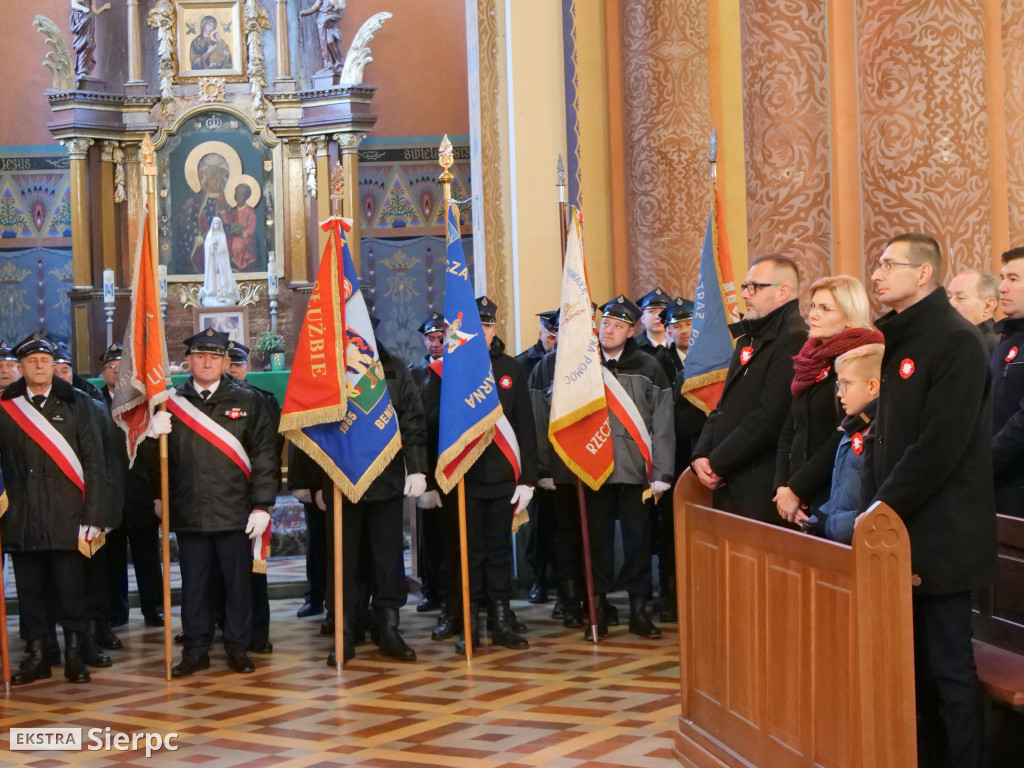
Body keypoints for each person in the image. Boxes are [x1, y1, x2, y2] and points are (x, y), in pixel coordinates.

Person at [870, 233, 996, 768]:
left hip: (941, 534)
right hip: (901, 531)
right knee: (913, 671)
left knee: (948, 670)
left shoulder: (954, 340)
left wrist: (882, 507)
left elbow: (938, 446)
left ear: (923, 274)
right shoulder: (902, 337)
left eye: (888, 264)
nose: (877, 274)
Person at [155, 329, 278, 677]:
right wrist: (149, 436)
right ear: (188, 361)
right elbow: (155, 464)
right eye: (200, 356)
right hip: (189, 509)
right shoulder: (169, 401)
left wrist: (262, 505)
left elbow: (265, 456)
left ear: (226, 362)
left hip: (235, 511)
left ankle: (237, 648)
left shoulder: (248, 400)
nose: (207, 362)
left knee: (238, 586)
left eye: (214, 357)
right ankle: (195, 650)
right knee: (194, 587)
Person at [423, 296, 538, 654]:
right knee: (467, 553)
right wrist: (431, 480)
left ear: (494, 329)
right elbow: (432, 428)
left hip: (503, 476)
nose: (484, 331)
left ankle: (501, 620)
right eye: (478, 325)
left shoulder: (510, 368)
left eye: (489, 325)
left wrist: (528, 478)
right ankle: (468, 622)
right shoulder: (446, 372)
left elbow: (524, 425)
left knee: (499, 551)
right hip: (464, 478)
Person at [0, 333, 105, 685]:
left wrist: (93, 516)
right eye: (31, 362)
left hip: (68, 517)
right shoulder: (5, 406)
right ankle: (38, 656)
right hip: (22, 517)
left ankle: (75, 655)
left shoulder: (78, 403)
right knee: (30, 594)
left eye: (45, 360)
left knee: (70, 591)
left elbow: (94, 464)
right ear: (21, 367)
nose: (40, 366)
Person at [321, 332, 428, 665]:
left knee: (387, 559)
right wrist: (310, 482)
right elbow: (310, 428)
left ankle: (388, 629)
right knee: (343, 560)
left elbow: (412, 419)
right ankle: (345, 631)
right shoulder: (326, 371)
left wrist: (417, 469)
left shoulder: (394, 369)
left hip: (386, 480)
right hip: (342, 481)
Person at [584, 295, 674, 641]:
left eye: (617, 326)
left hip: (637, 473)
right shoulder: (584, 365)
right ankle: (599, 609)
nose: (608, 330)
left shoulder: (649, 366)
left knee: (638, 542)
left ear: (631, 330)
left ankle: (638, 610)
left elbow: (662, 423)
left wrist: (662, 473)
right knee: (597, 543)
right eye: (605, 323)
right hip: (595, 470)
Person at [691, 255, 807, 521]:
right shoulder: (749, 337)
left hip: (758, 484)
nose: (745, 294)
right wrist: (700, 455)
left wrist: (717, 463)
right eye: (745, 286)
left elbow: (769, 418)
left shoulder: (793, 337)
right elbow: (723, 406)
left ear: (783, 291)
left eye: (754, 286)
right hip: (729, 477)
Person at [774, 276, 882, 525]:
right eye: (812, 307)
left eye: (825, 308)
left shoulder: (862, 359)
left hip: (833, 497)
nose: (813, 315)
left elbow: (842, 434)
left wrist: (797, 489)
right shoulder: (809, 358)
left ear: (849, 316)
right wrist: (781, 487)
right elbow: (790, 429)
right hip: (795, 494)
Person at [52, 344, 124, 667]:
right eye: (53, 370)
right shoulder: (29, 408)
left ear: (73, 372)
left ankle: (97, 632)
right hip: (52, 512)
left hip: (90, 509)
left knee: (95, 577)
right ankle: (60, 641)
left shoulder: (92, 405)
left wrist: (105, 511)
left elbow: (109, 463)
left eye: (64, 369)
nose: (59, 375)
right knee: (61, 582)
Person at [225, 341, 280, 655]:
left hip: (251, 494)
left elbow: (272, 448)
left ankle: (258, 633)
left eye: (238, 364)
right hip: (219, 496)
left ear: (247, 368)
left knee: (255, 569)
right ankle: (222, 627)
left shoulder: (265, 401)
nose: (233, 369)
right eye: (229, 363)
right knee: (219, 569)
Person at [799, 344, 883, 544]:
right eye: (838, 384)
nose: (839, 393)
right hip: (840, 541)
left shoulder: (881, 433)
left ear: (872, 386)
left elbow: (872, 509)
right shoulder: (851, 430)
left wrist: (829, 525)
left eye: (846, 383)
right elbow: (841, 496)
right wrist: (817, 519)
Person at [517, 309, 558, 604]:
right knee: (538, 526)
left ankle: (567, 585)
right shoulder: (522, 364)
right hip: (535, 453)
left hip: (568, 455)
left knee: (565, 526)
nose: (555, 343)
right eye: (551, 336)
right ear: (541, 335)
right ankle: (539, 578)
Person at [410, 311, 446, 615]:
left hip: (455, 459)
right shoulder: (415, 374)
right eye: (430, 339)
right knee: (430, 535)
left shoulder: (458, 372)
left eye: (440, 338)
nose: (435, 343)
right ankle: (431, 589)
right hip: (428, 460)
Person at [991, 246, 1024, 518]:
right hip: (997, 485)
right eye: (1002, 278)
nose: (1002, 287)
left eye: (1013, 279)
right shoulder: (1005, 338)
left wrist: (985, 462)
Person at [176, 152, 233, 274]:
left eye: (220, 172)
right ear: (203, 176)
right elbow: (185, 230)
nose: (217, 178)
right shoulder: (191, 204)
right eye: (212, 173)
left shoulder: (231, 203)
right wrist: (197, 236)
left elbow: (236, 226)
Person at [948, 267, 1000, 353]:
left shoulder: (993, 346)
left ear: (988, 306)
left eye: (960, 298)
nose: (950, 303)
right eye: (949, 297)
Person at [198, 217, 241, 306]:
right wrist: (211, 246)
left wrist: (218, 246)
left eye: (218, 224)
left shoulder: (222, 235)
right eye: (215, 224)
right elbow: (207, 247)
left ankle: (223, 293)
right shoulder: (210, 235)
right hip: (212, 260)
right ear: (212, 225)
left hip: (221, 260)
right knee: (213, 276)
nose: (216, 225)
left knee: (221, 276)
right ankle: (212, 292)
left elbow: (224, 249)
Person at [226, 183, 258, 270]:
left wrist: (245, 232)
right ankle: (231, 263)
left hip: (245, 237)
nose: (237, 196)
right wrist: (222, 213)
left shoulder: (249, 211)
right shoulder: (232, 210)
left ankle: (240, 264)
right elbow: (228, 220)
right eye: (236, 193)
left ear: (246, 196)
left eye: (240, 194)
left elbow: (252, 225)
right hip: (233, 235)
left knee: (238, 244)